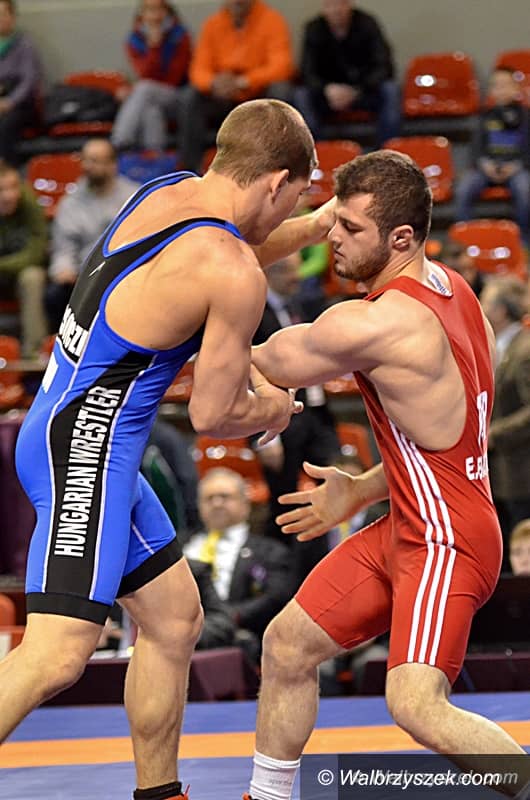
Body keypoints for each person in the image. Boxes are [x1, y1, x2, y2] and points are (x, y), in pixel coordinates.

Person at [4, 99, 335, 800]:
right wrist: (275, 406)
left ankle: (161, 794)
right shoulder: (232, 270)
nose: (294, 213)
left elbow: (233, 254)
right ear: (277, 182)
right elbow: (215, 415)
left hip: (75, 436)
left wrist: (315, 226)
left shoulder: (168, 193)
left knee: (174, 618)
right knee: (57, 653)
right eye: (298, 199)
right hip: (87, 456)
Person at [243, 150, 527, 800]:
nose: (331, 239)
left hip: (445, 541)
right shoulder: (456, 291)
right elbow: (447, 438)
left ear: (401, 238)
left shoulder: (377, 322)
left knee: (415, 702)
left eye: (349, 228)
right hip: (415, 519)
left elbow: (254, 358)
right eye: (333, 221)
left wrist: (192, 294)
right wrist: (362, 488)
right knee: (286, 644)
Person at [252, 252, 341, 586]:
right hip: (280, 420)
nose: (297, 278)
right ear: (271, 274)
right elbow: (245, 372)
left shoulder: (300, 306)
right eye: (290, 272)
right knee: (284, 498)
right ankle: (283, 578)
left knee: (335, 479)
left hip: (317, 414)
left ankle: (331, 559)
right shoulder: (254, 314)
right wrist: (264, 436)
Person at [179, 0, 294, 173]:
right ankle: (190, 171)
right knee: (190, 96)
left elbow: (282, 66)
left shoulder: (272, 21)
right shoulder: (212, 24)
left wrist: (244, 81)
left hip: (257, 95)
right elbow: (198, 70)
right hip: (221, 96)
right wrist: (214, 83)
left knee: (281, 90)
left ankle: (277, 167)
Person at [184, 468, 294, 647]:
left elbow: (275, 597)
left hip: (239, 637)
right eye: (209, 498)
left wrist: (224, 618)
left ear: (245, 504)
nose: (217, 503)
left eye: (225, 496)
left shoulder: (270, 551)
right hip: (182, 632)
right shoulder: (181, 546)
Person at [46, 138, 139, 332]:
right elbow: (64, 247)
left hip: (124, 275)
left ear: (112, 164)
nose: (88, 166)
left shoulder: (134, 197)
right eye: (86, 160)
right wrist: (64, 270)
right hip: (82, 278)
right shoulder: (71, 203)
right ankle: (58, 344)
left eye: (95, 161)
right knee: (54, 296)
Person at [294, 0, 400, 146]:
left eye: (341, 4)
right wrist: (327, 89)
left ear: (350, 5)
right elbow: (307, 72)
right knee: (301, 95)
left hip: (363, 92)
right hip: (327, 96)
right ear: (324, 8)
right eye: (330, 5)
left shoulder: (367, 24)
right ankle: (317, 151)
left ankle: (388, 150)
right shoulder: (313, 29)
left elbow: (384, 67)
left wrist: (357, 90)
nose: (336, 10)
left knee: (390, 90)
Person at [480, 276, 530, 570]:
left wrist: (494, 434)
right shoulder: (499, 347)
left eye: (486, 301)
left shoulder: (524, 351)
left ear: (500, 310)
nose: (480, 306)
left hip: (521, 472)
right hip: (502, 472)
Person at [454, 67, 530, 244]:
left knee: (524, 189)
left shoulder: (526, 117)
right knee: (463, 188)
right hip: (487, 168)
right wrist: (484, 164)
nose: (501, 90)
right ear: (491, 91)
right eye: (496, 85)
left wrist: (516, 166)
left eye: (505, 85)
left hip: (517, 168)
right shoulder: (484, 117)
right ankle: (464, 238)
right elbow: (476, 148)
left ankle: (523, 240)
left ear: (516, 88)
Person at [111, 0, 191, 152]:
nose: (155, 15)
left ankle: (119, 142)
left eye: (159, 9)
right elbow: (143, 73)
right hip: (149, 96)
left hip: (179, 95)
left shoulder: (180, 36)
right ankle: (155, 155)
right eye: (149, 10)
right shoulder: (134, 39)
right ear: (141, 14)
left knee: (144, 89)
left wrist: (155, 46)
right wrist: (153, 46)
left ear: (168, 12)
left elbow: (174, 78)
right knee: (151, 110)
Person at [0, 162, 47, 356]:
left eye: (13, 187)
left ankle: (34, 353)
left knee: (33, 277)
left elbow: (36, 252)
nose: (10, 195)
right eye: (2, 190)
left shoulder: (29, 203)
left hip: (21, 272)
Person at [0, 0, 42, 164]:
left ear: (12, 17)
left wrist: (9, 102)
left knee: (5, 125)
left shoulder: (24, 45)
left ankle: (5, 168)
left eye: (3, 14)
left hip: (19, 104)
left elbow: (29, 80)